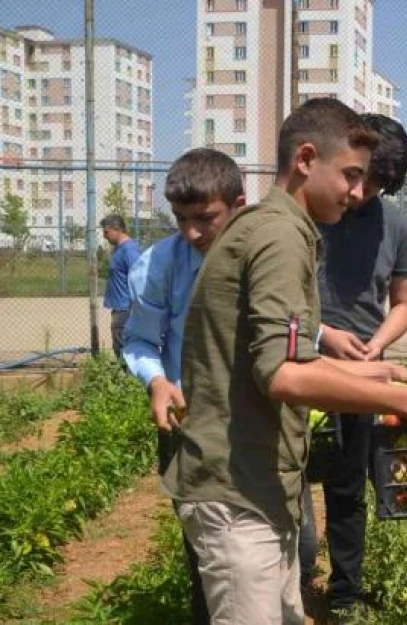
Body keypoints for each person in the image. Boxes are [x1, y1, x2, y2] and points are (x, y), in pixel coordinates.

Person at [161, 98, 407, 625]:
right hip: (237, 498)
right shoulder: (280, 237)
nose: (357, 193)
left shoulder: (273, 227)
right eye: (350, 176)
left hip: (257, 491)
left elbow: (284, 356)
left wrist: (385, 370)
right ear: (306, 159)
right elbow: (282, 375)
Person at [121, 147, 245, 625]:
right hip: (188, 423)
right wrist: (155, 381)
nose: (191, 232)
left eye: (205, 218)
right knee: (207, 557)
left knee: (287, 547)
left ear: (238, 203)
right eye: (180, 219)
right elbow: (140, 341)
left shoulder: (260, 254)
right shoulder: (159, 265)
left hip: (255, 421)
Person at [304, 113, 407, 618]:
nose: (364, 193)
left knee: (348, 488)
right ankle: (293, 574)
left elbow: (403, 304)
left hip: (363, 373)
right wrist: (322, 335)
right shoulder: (310, 208)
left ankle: (344, 594)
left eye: (379, 185)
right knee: (288, 479)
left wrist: (377, 345)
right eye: (363, 177)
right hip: (300, 363)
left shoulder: (396, 225)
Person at [99, 213, 141, 358]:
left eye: (106, 232)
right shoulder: (119, 249)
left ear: (117, 229)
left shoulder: (129, 250)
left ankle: (128, 378)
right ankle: (125, 378)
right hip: (120, 307)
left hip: (126, 308)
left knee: (123, 347)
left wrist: (134, 307)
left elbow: (139, 278)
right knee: (119, 345)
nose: (104, 236)